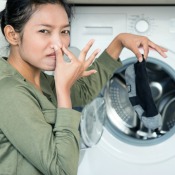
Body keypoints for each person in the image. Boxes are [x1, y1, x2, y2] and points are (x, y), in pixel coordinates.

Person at [0, 0, 167, 175]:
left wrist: (119, 42)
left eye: (64, 31)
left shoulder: (37, 78)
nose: (59, 44)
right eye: (44, 31)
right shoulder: (9, 91)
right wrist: (63, 91)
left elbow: (83, 92)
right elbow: (62, 170)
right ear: (12, 35)